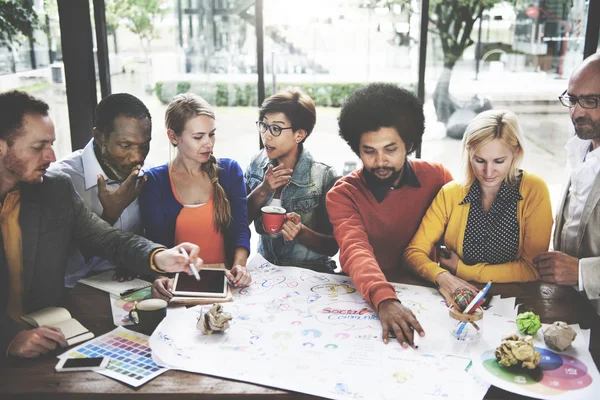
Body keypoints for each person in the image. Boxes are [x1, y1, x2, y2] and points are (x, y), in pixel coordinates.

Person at [0, 91, 201, 359]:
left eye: (51, 144)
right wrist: (9, 341)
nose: (51, 156)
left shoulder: (54, 189)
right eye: (39, 147)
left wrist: (160, 256)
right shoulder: (65, 176)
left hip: (52, 334)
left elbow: (109, 239)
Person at [326, 83, 453, 348]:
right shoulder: (343, 194)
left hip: (430, 295)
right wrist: (385, 299)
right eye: (369, 151)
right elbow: (354, 249)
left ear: (409, 144)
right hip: (370, 300)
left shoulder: (438, 177)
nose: (380, 161)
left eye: (390, 149)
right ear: (356, 148)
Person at [405, 110, 553, 302]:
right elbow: (413, 252)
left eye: (499, 161)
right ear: (469, 153)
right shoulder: (451, 193)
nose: (488, 172)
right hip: (459, 296)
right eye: (479, 160)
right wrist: (442, 276)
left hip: (517, 300)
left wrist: (464, 270)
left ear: (516, 152)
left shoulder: (534, 190)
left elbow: (532, 268)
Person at [139, 93, 252, 301]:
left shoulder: (230, 172)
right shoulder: (155, 181)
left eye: (212, 134)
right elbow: (156, 244)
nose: (208, 143)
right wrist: (160, 277)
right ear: (173, 137)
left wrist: (240, 266)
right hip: (180, 289)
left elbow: (241, 230)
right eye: (198, 137)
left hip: (226, 286)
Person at [49, 93, 153, 287]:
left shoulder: (146, 174)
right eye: (125, 145)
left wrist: (133, 259)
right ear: (99, 137)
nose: (137, 157)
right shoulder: (61, 181)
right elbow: (57, 262)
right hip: (72, 293)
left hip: (131, 287)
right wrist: (110, 215)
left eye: (144, 146)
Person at [245, 88, 339, 272]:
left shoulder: (324, 177)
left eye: (276, 128)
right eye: (264, 125)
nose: (267, 135)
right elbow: (241, 220)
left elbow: (332, 246)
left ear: (299, 134)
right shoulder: (257, 164)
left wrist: (301, 232)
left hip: (310, 273)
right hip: (266, 268)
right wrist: (262, 190)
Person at [534, 53, 600, 314]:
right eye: (572, 99)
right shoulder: (579, 148)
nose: (576, 111)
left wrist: (581, 272)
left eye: (590, 101)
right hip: (568, 306)